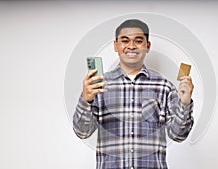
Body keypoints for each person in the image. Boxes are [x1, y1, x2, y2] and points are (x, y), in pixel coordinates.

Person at [73, 19, 194, 169]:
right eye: (125, 41)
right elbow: (82, 132)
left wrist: (185, 104)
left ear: (147, 46)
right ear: (115, 45)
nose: (131, 46)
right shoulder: (97, 86)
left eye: (138, 41)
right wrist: (86, 100)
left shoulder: (164, 87)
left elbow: (178, 135)